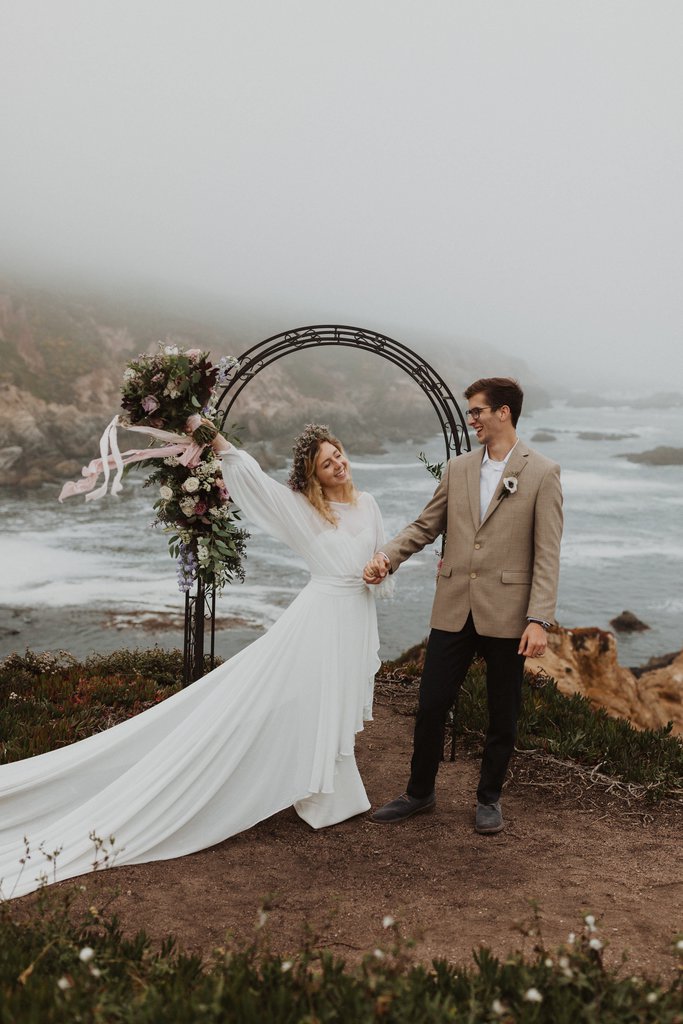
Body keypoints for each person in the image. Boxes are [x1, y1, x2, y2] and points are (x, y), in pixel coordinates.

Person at [0, 425, 388, 900]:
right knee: (312, 699)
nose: (340, 464)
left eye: (340, 454)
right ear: (314, 476)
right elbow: (255, 481)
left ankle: (332, 788)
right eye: (328, 462)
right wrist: (214, 439)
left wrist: (379, 570)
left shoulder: (367, 503)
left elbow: (383, 557)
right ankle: (321, 794)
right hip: (320, 620)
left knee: (338, 697)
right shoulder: (304, 509)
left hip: (354, 616)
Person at [364, 377, 563, 834]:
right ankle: (419, 793)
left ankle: (489, 798)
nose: (470, 418)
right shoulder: (457, 469)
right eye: (470, 412)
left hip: (509, 611)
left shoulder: (543, 472)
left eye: (477, 411)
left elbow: (547, 552)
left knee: (502, 712)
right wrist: (387, 558)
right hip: (454, 605)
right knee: (431, 703)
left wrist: (538, 619)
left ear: (503, 413)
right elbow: (426, 525)